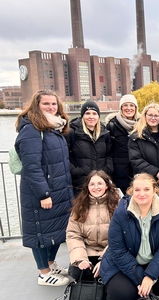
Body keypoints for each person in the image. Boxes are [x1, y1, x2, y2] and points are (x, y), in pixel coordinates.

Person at [14, 89, 73, 286]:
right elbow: (31, 166)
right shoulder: (32, 130)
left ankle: (51, 264)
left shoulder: (53, 128)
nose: (51, 107)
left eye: (54, 104)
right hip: (42, 193)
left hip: (59, 191)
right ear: (36, 105)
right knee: (39, 232)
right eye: (46, 104)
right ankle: (43, 273)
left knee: (56, 230)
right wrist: (43, 194)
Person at [100, 173, 159, 300]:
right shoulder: (121, 213)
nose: (142, 194)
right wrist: (141, 277)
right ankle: (141, 292)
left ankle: (153, 292)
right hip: (126, 262)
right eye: (137, 190)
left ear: (154, 190)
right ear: (131, 191)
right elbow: (117, 250)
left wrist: (150, 276)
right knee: (124, 293)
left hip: (152, 259)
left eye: (146, 189)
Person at [66, 170, 119, 281]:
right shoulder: (79, 206)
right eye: (92, 184)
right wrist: (81, 259)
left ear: (106, 186)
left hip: (111, 252)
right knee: (78, 272)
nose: (96, 187)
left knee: (110, 271)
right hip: (88, 251)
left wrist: (105, 260)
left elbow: (121, 237)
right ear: (87, 187)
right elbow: (73, 234)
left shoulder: (118, 205)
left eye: (100, 183)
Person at [129, 103, 159, 199]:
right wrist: (157, 174)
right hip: (146, 184)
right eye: (150, 115)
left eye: (156, 115)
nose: (153, 118)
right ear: (144, 116)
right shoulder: (136, 137)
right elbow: (136, 160)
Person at [67, 101, 113, 193]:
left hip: (100, 181)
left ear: (98, 116)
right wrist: (76, 171)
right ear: (82, 115)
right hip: (81, 182)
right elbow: (65, 156)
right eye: (87, 113)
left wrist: (107, 170)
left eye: (94, 113)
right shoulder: (72, 132)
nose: (91, 117)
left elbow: (109, 154)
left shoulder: (105, 133)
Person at [106, 94, 140, 194]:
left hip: (139, 173)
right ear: (121, 108)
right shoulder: (112, 125)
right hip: (119, 176)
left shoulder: (142, 125)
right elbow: (108, 151)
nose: (128, 108)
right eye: (125, 105)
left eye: (131, 105)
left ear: (136, 108)